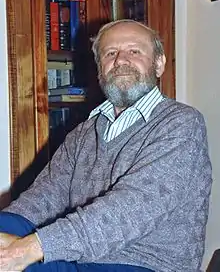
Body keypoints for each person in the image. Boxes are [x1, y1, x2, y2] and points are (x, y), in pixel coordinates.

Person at [0, 19, 212, 272]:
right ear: (100, 68)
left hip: (145, 265)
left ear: (159, 64)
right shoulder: (83, 133)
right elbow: (43, 197)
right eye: (111, 53)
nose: (121, 60)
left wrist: (30, 248)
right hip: (81, 259)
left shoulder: (181, 123)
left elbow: (134, 208)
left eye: (135, 51)